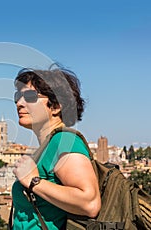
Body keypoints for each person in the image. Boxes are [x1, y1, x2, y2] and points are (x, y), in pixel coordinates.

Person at [11, 65, 101, 229]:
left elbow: (90, 203)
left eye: (30, 96)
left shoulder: (65, 141)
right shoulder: (48, 147)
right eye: (18, 96)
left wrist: (33, 181)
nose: (19, 103)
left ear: (56, 106)